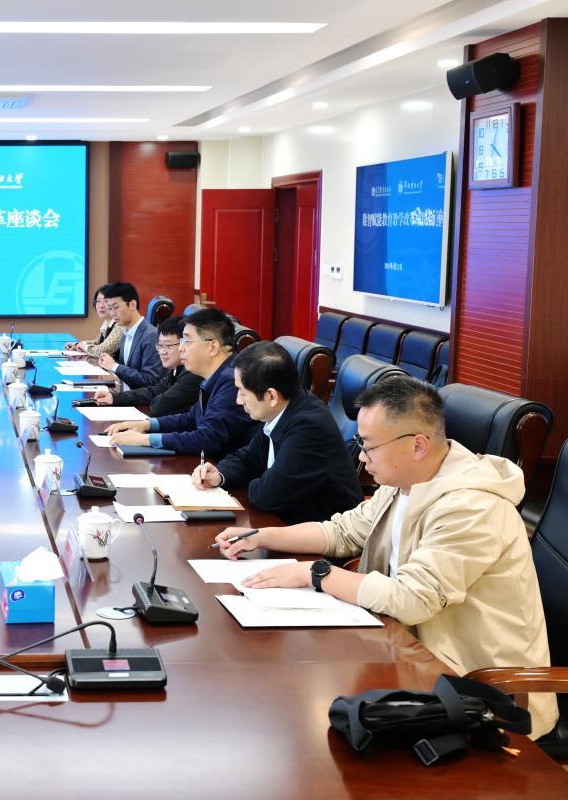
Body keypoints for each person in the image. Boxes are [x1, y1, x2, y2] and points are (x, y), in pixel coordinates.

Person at [215, 376, 556, 739]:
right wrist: (263, 536)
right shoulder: (404, 481)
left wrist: (317, 574)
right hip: (409, 652)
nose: (361, 456)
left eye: (369, 445)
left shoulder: (472, 507)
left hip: (482, 692)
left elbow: (412, 599)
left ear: (418, 445)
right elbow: (344, 531)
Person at [193, 341, 363, 523]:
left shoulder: (309, 427)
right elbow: (249, 457)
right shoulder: (285, 408)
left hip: (325, 533)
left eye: (242, 392)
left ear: (271, 396)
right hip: (289, 521)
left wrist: (256, 480)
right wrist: (220, 474)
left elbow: (266, 496)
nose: (238, 400)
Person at [106, 306, 256, 458]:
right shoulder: (216, 374)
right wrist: (146, 424)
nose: (181, 348)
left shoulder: (232, 381)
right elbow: (191, 418)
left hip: (220, 467)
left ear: (213, 347)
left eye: (187, 341)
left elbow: (207, 439)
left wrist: (145, 439)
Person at [92, 316, 200, 416]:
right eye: (160, 345)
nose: (162, 352)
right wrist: (114, 398)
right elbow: (154, 391)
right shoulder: (176, 369)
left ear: (184, 344)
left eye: (168, 346)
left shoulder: (192, 374)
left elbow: (159, 406)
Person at [95, 281, 161, 389]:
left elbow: (150, 380)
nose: (112, 313)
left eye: (116, 307)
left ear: (132, 305)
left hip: (141, 398)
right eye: (109, 308)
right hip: (125, 394)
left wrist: (115, 366)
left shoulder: (151, 335)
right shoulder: (125, 333)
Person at [65, 284, 123, 358]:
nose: (101, 306)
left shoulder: (120, 324)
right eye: (98, 301)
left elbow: (102, 351)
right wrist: (77, 345)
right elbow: (98, 342)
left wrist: (84, 347)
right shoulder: (107, 323)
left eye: (106, 301)